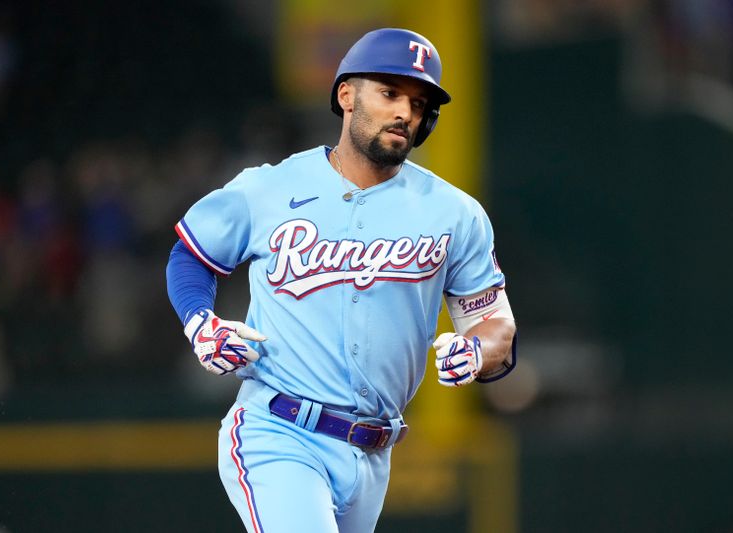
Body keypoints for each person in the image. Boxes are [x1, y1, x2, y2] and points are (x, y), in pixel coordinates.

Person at [166, 27, 517, 533]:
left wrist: (479, 350)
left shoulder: (455, 214)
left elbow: (494, 325)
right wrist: (200, 323)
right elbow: (190, 255)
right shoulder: (269, 188)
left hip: (373, 454)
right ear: (346, 94)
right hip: (278, 431)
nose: (405, 112)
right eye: (390, 93)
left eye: (419, 103)